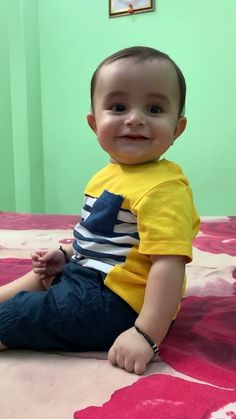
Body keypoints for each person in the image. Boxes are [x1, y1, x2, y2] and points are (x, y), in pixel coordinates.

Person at [0, 46, 200, 374]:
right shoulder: (106, 176)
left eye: (153, 108)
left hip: (118, 302)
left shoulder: (164, 190)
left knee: (25, 314)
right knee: (39, 277)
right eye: (119, 107)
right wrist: (67, 254)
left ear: (177, 128)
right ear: (95, 123)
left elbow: (168, 265)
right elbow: (105, 239)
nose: (135, 118)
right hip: (90, 276)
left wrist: (145, 333)